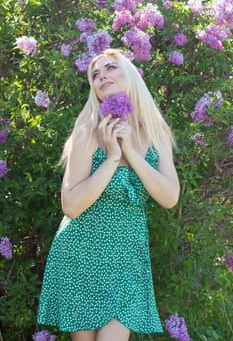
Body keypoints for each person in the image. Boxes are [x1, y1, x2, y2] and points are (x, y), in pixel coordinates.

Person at [37, 48, 180, 341]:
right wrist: (113, 156)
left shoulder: (155, 133)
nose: (102, 76)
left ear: (129, 75)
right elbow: (72, 206)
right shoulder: (88, 131)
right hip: (82, 253)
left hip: (127, 257)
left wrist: (131, 152)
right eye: (95, 75)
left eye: (110, 68)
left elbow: (169, 197)